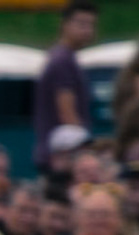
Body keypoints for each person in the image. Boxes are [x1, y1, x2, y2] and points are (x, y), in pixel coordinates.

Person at [33, 0, 98, 173]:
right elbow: (67, 112)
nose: (88, 30)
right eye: (82, 24)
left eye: (91, 24)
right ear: (65, 25)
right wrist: (84, 151)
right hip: (62, 158)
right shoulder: (63, 61)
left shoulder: (63, 57)